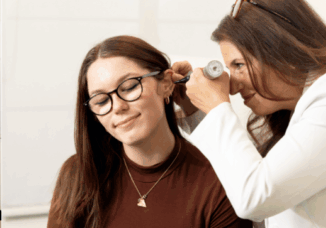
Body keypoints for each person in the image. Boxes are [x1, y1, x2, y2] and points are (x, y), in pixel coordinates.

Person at [171, 0, 326, 226]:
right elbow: (241, 175)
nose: (233, 87)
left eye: (239, 65)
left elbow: (254, 198)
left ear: (281, 49)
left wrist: (216, 107)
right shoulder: (307, 108)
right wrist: (196, 110)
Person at [48, 35, 252, 228]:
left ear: (166, 84)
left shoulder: (220, 183)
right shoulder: (77, 174)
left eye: (129, 87)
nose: (117, 107)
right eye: (101, 101)